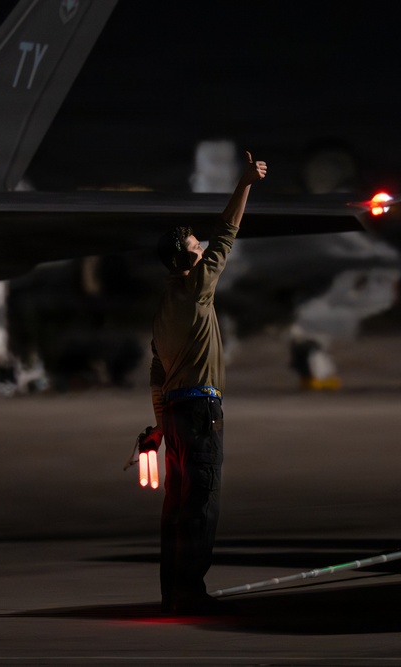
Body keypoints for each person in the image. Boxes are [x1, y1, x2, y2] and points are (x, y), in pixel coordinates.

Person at [146, 151, 266, 615]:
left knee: (174, 510)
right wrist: (245, 184)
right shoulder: (197, 289)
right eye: (196, 244)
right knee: (201, 505)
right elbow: (228, 233)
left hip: (174, 418)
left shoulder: (162, 308)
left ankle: (171, 594)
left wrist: (158, 426)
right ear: (189, 257)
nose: (203, 245)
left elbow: (156, 371)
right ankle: (191, 596)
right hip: (199, 415)